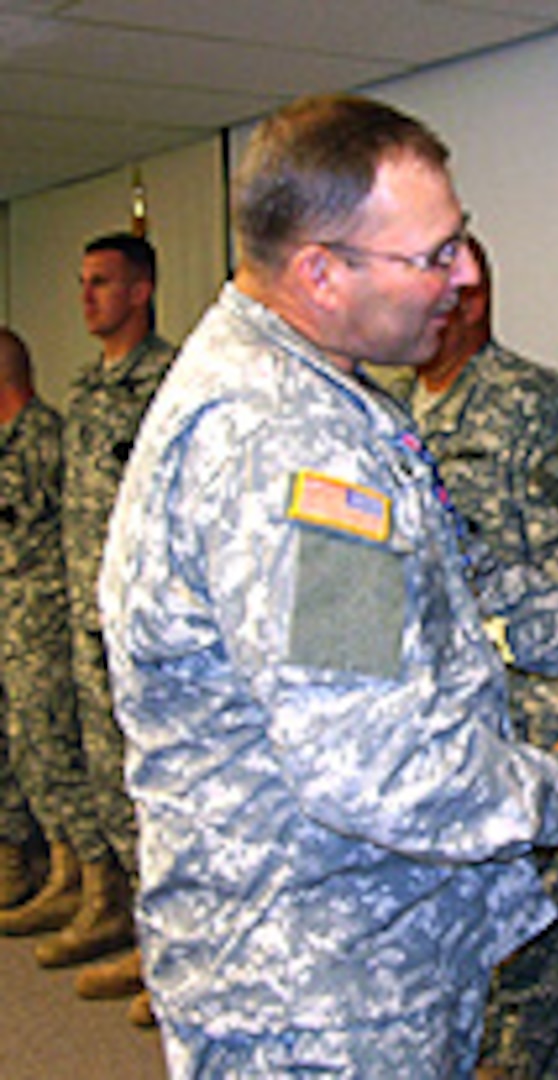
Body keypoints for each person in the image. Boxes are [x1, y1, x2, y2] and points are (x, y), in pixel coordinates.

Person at [98, 92, 558, 1076]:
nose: (466, 276)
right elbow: (371, 758)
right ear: (319, 271)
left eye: (460, 243)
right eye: (434, 255)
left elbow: (463, 579)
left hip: (348, 958)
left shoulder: (326, 397)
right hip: (319, 994)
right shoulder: (292, 449)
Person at [404, 235, 558, 1079]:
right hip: (430, 746)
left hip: (522, 744)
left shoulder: (537, 406)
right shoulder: (386, 412)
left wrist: (549, 754)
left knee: (529, 992)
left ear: (471, 296)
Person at [36, 232, 177, 1025]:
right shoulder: (87, 391)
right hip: (88, 621)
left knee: (161, 798)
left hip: (147, 636)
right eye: (81, 282)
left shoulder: (170, 382)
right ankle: (135, 926)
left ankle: (179, 958)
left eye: (102, 283)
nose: (86, 297)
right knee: (112, 785)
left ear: (141, 290)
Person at [0, 328, 93, 921]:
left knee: (55, 741)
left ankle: (88, 878)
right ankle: (44, 860)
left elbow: (70, 534)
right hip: (12, 614)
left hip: (44, 616)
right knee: (24, 744)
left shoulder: (44, 438)